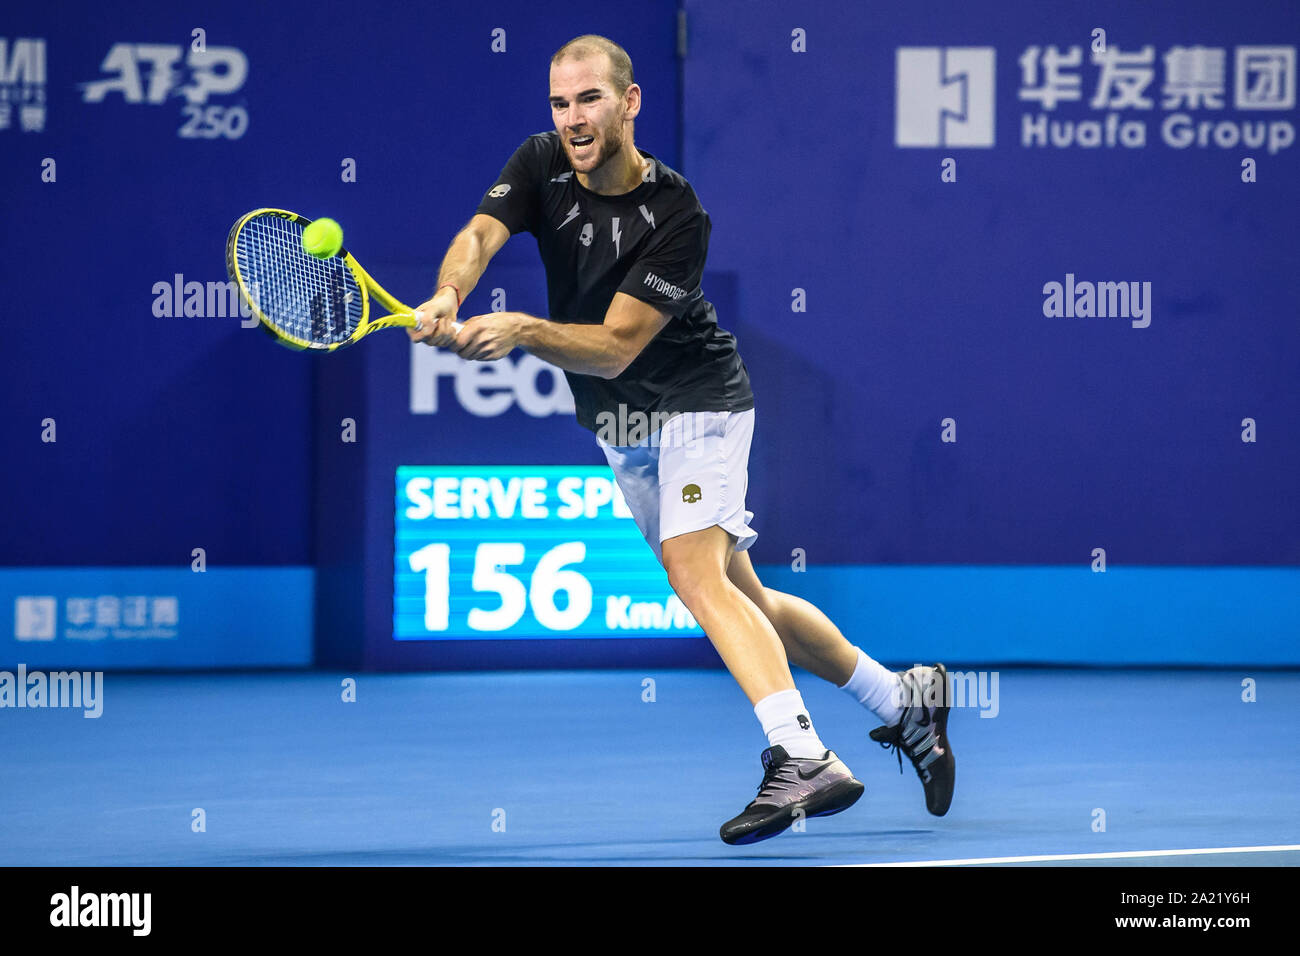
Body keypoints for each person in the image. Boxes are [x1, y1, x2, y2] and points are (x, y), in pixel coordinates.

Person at [408, 34, 955, 844]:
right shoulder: (536, 164)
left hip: (698, 401)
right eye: (560, 103)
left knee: (694, 576)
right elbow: (482, 233)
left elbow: (619, 343)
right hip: (622, 425)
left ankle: (803, 757)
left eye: (589, 99)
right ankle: (901, 700)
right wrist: (451, 290)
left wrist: (520, 327)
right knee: (745, 595)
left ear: (629, 103)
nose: (572, 119)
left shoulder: (676, 213)